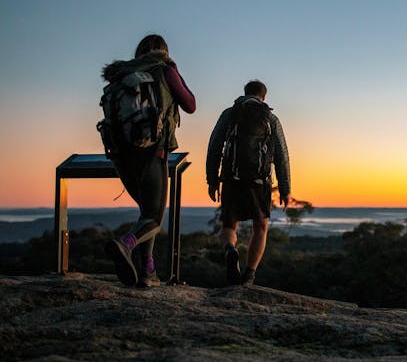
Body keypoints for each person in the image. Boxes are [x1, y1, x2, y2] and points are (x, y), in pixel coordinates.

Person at [102, 34, 196, 287]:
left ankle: (147, 272)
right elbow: (190, 104)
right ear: (164, 52)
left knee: (146, 212)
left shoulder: (121, 75)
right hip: (153, 152)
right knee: (154, 218)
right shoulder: (164, 70)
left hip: (121, 157)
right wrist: (173, 69)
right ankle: (126, 244)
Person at [206, 80, 290, 286]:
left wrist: (212, 179)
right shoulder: (271, 118)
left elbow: (214, 146)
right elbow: (282, 156)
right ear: (264, 97)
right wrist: (285, 188)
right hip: (259, 181)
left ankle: (231, 250)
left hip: (231, 178)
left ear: (244, 93)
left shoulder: (230, 113)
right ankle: (249, 275)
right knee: (260, 227)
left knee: (228, 224)